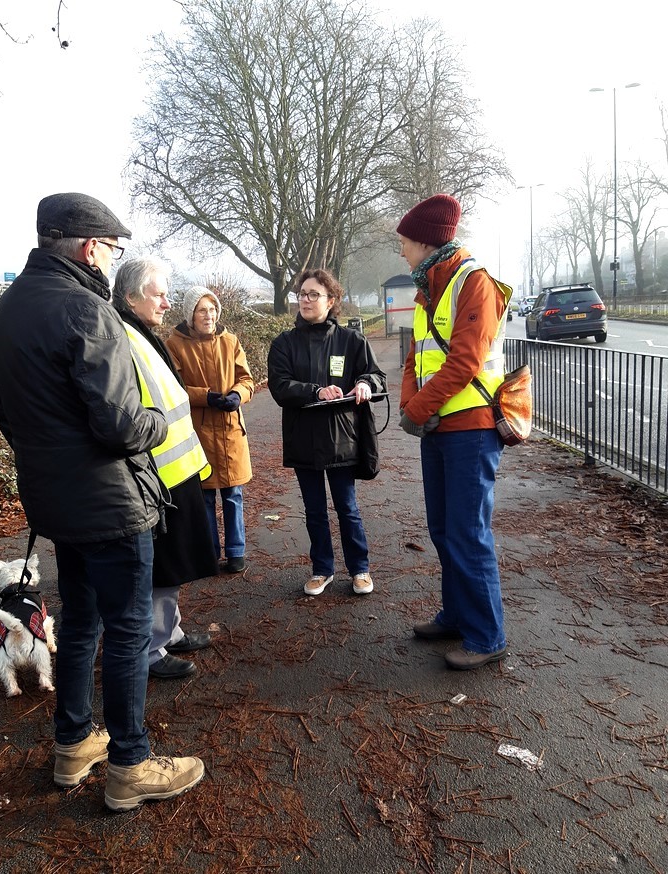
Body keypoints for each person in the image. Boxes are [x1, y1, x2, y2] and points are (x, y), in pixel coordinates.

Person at [0, 193, 205, 812]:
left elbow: (7, 413)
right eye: (112, 248)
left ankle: (74, 742)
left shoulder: (6, 312)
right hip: (110, 502)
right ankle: (131, 764)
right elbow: (120, 425)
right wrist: (160, 419)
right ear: (90, 247)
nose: (111, 259)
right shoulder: (86, 310)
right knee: (129, 630)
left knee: (81, 623)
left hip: (55, 502)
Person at [397, 193, 510, 670]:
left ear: (424, 242)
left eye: (403, 242)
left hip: (470, 428)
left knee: (467, 532)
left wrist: (416, 408)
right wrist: (411, 404)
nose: (401, 251)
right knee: (445, 528)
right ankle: (458, 615)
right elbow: (416, 354)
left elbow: (463, 362)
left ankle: (486, 636)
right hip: (439, 427)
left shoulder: (473, 282)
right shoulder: (429, 286)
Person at [112, 259, 219, 680]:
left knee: (175, 564)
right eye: (159, 294)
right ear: (131, 296)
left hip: (175, 470)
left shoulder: (138, 332)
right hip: (160, 478)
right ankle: (153, 650)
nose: (167, 301)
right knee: (162, 566)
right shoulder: (123, 336)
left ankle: (168, 632)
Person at [267, 268, 387, 597]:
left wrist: (364, 383)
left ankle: (360, 569)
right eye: (301, 294)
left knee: (347, 508)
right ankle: (322, 569)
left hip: (342, 439)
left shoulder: (351, 340)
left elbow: (376, 376)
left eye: (313, 294)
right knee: (315, 510)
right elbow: (279, 387)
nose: (304, 300)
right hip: (303, 439)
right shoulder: (284, 344)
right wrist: (315, 391)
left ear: (331, 300)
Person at [166, 286, 254, 574]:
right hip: (198, 431)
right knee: (204, 495)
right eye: (202, 310)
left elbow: (246, 379)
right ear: (191, 314)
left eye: (212, 309)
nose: (209, 315)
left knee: (233, 493)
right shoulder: (174, 345)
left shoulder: (230, 341)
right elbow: (173, 388)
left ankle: (236, 551)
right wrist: (206, 396)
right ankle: (210, 551)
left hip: (230, 428)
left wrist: (237, 395)